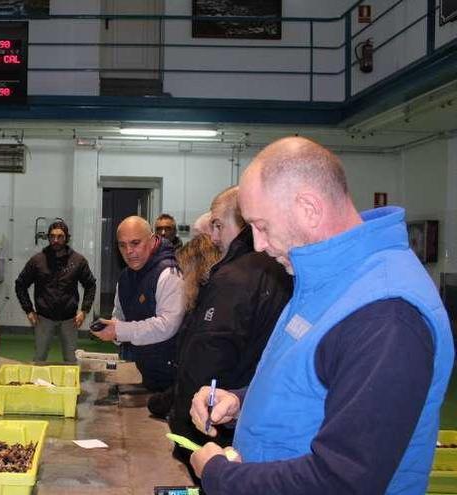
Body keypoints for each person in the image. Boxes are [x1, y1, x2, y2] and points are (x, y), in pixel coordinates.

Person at [189, 137, 454, 494]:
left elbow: (343, 480)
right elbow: (321, 383)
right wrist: (240, 400)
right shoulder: (327, 281)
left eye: (262, 226)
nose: (258, 246)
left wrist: (221, 476)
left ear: (309, 209)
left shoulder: (385, 314)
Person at [167, 186, 292, 478]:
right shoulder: (273, 271)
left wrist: (181, 415)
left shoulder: (234, 278)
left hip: (215, 423)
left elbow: (210, 354)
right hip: (240, 411)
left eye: (218, 226)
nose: (212, 237)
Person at [95, 216, 185, 392]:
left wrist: (120, 330)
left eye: (135, 243)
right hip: (142, 367)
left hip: (171, 375)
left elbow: (167, 326)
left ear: (152, 241)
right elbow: (119, 314)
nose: (129, 251)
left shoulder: (169, 274)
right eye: (122, 245)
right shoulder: (125, 277)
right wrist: (112, 330)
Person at [146, 233, 220, 420]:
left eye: (184, 273)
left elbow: (199, 368)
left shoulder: (209, 307)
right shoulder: (201, 304)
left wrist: (166, 401)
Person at [14, 220, 96, 363]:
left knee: (71, 361)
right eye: (52, 236)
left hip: (70, 319)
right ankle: (37, 384)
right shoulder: (37, 261)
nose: (56, 240)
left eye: (60, 236)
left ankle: (70, 385)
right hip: (44, 318)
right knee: (39, 359)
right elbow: (20, 284)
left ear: (67, 238)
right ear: (48, 237)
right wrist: (29, 310)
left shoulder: (78, 261)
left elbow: (90, 284)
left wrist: (84, 310)